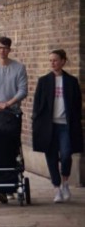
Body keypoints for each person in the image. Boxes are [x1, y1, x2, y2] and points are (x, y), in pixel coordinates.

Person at [31, 49, 82, 203]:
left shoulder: (71, 81)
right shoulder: (44, 81)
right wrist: (37, 122)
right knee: (51, 157)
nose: (52, 63)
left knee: (66, 154)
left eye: (55, 60)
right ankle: (56, 188)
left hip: (65, 125)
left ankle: (65, 183)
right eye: (50, 60)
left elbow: (77, 105)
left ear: (63, 61)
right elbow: (37, 104)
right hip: (49, 126)